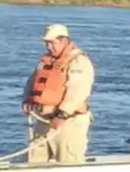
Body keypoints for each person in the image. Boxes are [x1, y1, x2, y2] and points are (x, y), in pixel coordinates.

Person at [21, 23, 96, 163]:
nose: (49, 47)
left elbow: (78, 92)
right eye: (46, 43)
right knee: (34, 159)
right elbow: (32, 81)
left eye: (52, 43)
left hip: (69, 122)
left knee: (68, 161)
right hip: (43, 120)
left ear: (64, 40)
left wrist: (62, 114)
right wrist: (27, 99)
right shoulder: (46, 61)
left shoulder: (78, 61)